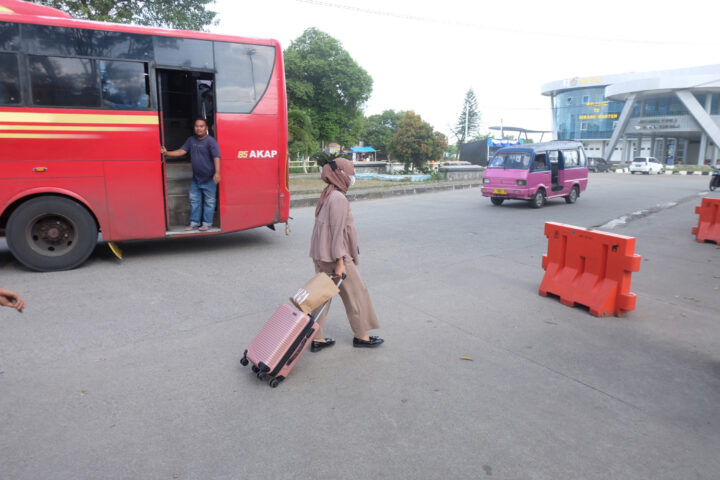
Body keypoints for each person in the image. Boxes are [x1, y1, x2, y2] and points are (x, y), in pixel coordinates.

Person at [308, 157, 384, 351]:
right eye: (350, 172)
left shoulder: (328, 193)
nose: (352, 176)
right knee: (356, 294)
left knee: (322, 295)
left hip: (322, 254)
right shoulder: (338, 198)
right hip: (335, 257)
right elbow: (338, 232)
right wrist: (341, 262)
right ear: (340, 174)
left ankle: (316, 338)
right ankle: (362, 336)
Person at [161, 118, 221, 231]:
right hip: (196, 179)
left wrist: (217, 173)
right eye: (197, 126)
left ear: (206, 128)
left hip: (210, 178)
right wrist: (167, 153)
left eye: (202, 126)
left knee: (209, 202)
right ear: (194, 128)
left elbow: (216, 157)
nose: (199, 128)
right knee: (194, 201)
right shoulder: (191, 140)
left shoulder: (211, 141)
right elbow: (181, 151)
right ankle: (194, 223)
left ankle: (206, 223)